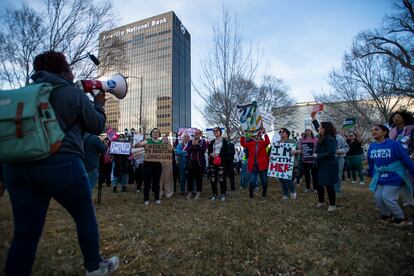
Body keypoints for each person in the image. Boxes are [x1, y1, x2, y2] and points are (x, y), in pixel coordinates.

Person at [2, 51, 118, 275]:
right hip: (60, 162)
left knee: (25, 233)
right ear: (64, 70)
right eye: (69, 68)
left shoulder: (24, 93)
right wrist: (99, 103)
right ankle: (94, 266)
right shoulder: (71, 93)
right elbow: (96, 126)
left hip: (18, 167)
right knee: (84, 214)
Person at [367, 124, 414, 226]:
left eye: (377, 129)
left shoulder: (394, 144)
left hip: (395, 175)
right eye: (372, 130)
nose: (373, 131)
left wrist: (412, 171)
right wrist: (370, 172)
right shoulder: (372, 146)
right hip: (379, 176)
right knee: (378, 197)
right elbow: (371, 162)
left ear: (384, 132)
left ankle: (401, 218)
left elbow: (406, 159)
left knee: (387, 197)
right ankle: (386, 215)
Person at [313, 122, 338, 211]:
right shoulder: (321, 137)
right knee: (319, 184)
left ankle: (332, 204)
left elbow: (331, 153)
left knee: (328, 185)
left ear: (324, 129)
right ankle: (321, 201)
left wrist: (317, 156)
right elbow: (317, 128)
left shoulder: (330, 138)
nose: (318, 128)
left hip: (328, 165)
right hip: (319, 165)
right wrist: (313, 120)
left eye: (320, 127)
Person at [135, 128, 164, 205]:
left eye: (157, 132)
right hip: (148, 164)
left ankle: (157, 198)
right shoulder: (147, 141)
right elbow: (137, 146)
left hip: (158, 165)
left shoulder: (162, 142)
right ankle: (146, 199)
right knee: (147, 182)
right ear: (151, 133)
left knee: (157, 182)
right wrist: (138, 143)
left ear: (159, 134)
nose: (155, 133)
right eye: (154, 132)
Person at [240, 130, 270, 199]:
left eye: (258, 136)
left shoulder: (262, 143)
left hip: (262, 166)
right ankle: (251, 195)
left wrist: (265, 133)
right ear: (253, 137)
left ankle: (264, 194)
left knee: (264, 181)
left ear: (260, 137)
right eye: (255, 136)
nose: (256, 138)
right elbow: (243, 144)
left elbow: (268, 142)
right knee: (252, 181)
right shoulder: (251, 144)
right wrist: (242, 135)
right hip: (253, 166)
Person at [277, 128, 299, 200]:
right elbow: (273, 153)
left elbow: (300, 150)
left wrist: (296, 151)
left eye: (283, 131)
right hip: (280, 164)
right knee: (281, 179)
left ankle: (292, 191)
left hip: (291, 164)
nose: (281, 132)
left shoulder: (293, 141)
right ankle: (285, 194)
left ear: (287, 133)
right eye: (280, 132)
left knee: (288, 179)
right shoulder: (277, 143)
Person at [208, 127, 229, 201]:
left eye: (216, 130)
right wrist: (211, 154)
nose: (215, 132)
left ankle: (223, 194)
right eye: (214, 131)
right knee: (213, 179)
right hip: (213, 162)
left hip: (221, 162)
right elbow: (209, 151)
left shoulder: (224, 141)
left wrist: (218, 155)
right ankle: (214, 194)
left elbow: (226, 152)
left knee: (221, 179)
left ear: (220, 132)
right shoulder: (212, 141)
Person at [186, 129, 207, 199]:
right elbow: (188, 150)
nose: (196, 134)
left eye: (198, 133)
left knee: (199, 178)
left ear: (200, 134)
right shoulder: (190, 141)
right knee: (190, 178)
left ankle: (198, 192)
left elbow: (202, 151)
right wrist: (193, 146)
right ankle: (190, 192)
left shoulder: (203, 142)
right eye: (195, 133)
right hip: (191, 162)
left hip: (199, 163)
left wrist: (196, 146)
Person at [297, 128, 318, 192]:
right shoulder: (302, 140)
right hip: (305, 159)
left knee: (314, 175)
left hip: (313, 160)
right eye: (306, 130)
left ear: (311, 131)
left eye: (309, 130)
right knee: (306, 175)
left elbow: (318, 148)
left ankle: (315, 188)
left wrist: (314, 150)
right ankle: (308, 188)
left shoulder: (315, 139)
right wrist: (300, 150)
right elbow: (299, 148)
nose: (307, 132)